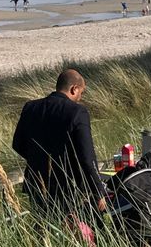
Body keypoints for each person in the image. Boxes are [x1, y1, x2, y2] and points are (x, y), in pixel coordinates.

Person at [11, 68, 103, 223]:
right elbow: (87, 157)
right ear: (74, 89)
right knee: (72, 229)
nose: (80, 97)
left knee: (44, 228)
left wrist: (38, 158)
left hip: (37, 182)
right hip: (68, 187)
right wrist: (98, 191)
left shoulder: (31, 107)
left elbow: (17, 144)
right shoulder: (78, 112)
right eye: (81, 92)